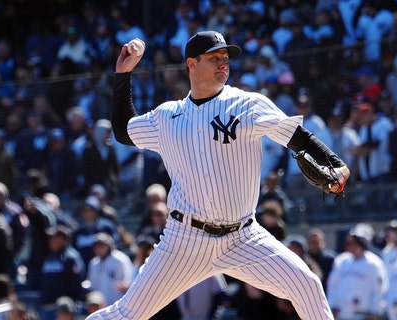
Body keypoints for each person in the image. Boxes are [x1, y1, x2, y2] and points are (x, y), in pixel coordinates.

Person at [87, 31, 349, 320]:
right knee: (126, 314)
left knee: (307, 286)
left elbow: (297, 137)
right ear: (191, 63)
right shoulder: (167, 117)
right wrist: (123, 75)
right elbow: (124, 131)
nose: (223, 63)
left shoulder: (247, 105)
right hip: (185, 239)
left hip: (244, 237)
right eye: (214, 58)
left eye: (225, 58)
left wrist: (336, 164)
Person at [327, 223, 388, 320]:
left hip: (364, 315)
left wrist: (375, 311)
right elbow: (332, 285)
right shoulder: (341, 261)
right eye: (350, 242)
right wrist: (332, 305)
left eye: (356, 243)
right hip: (341, 314)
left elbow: (380, 290)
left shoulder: (374, 263)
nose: (352, 246)